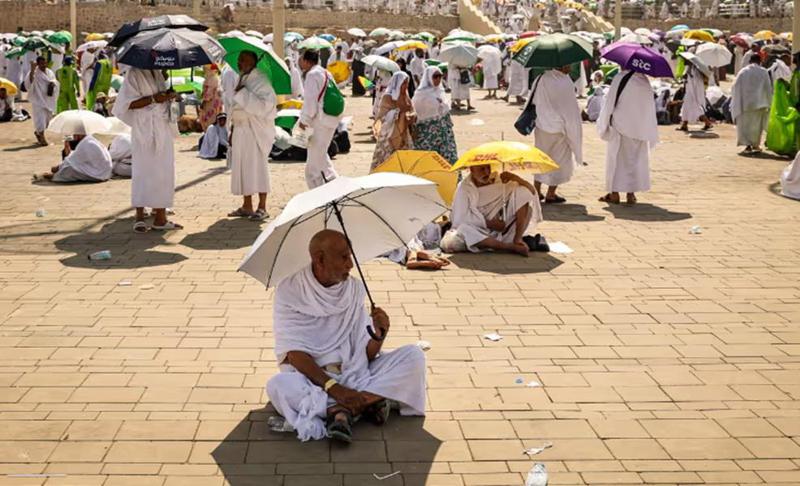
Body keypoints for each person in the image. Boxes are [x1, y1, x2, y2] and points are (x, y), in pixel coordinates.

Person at [266, 229, 426, 443]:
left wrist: (379, 335)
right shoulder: (290, 290)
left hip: (354, 371)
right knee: (278, 385)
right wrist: (335, 389)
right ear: (320, 259)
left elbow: (365, 355)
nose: (350, 265)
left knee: (414, 356)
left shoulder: (353, 290)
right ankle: (365, 403)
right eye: (343, 257)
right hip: (312, 378)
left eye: (350, 256)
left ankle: (343, 411)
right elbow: (294, 355)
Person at [112, 67, 181, 233]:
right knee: (142, 170)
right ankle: (140, 215)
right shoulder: (134, 74)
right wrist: (153, 99)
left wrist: (168, 95)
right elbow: (126, 105)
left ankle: (160, 216)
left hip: (162, 127)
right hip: (144, 129)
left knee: (163, 171)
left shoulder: (158, 72)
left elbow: (161, 98)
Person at [442, 164, 542, 256]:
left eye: (488, 168)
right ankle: (509, 247)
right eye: (481, 169)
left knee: (523, 193)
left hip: (501, 230)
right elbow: (460, 219)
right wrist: (489, 224)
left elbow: (531, 192)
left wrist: (516, 179)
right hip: (477, 230)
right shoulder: (464, 188)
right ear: (472, 170)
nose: (486, 172)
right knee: (464, 230)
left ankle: (518, 239)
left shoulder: (499, 181)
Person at [596, 70, 658, 205]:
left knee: (616, 160)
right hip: (640, 128)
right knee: (635, 160)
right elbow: (648, 106)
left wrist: (604, 123)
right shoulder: (644, 81)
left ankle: (614, 194)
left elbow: (609, 102)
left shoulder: (619, 78)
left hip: (620, 126)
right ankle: (631, 194)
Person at [228, 51, 277, 221]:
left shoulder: (261, 80)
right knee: (242, 168)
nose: (240, 63)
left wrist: (243, 94)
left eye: (243, 60)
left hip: (255, 131)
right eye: (239, 60)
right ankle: (246, 205)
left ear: (253, 62)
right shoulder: (242, 78)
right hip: (240, 130)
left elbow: (267, 106)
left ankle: (262, 206)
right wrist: (232, 129)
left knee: (258, 168)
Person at [532, 66, 583, 204]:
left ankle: (536, 190)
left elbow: (534, 100)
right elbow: (570, 108)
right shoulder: (565, 81)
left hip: (542, 125)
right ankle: (551, 193)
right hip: (560, 129)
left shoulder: (542, 78)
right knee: (560, 160)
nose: (570, 67)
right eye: (568, 65)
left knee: (540, 157)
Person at [298, 49, 342, 189]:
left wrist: (303, 121)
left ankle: (318, 194)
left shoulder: (312, 75)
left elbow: (310, 103)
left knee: (313, 165)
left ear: (306, 60)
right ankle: (336, 185)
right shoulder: (325, 72)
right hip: (330, 120)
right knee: (321, 157)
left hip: (319, 122)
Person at [411, 66, 458, 165]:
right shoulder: (420, 95)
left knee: (449, 159)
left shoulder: (440, 91)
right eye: (435, 76)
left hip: (445, 134)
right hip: (427, 135)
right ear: (428, 77)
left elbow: (445, 111)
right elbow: (416, 113)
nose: (438, 79)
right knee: (428, 161)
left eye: (440, 76)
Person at [730, 54, 773, 154]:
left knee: (745, 125)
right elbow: (768, 88)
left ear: (750, 61)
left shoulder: (743, 72)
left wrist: (737, 101)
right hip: (759, 104)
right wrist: (769, 102)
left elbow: (735, 87)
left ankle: (747, 145)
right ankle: (755, 144)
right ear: (760, 61)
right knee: (756, 126)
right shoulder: (763, 72)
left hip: (744, 104)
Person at [371, 71, 414, 170]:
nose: (406, 85)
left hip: (403, 131)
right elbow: (382, 116)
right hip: (389, 133)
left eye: (407, 83)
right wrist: (398, 113)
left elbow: (411, 109)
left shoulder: (406, 96)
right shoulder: (388, 97)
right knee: (387, 158)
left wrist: (411, 115)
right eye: (404, 83)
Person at [35, 133, 112, 183]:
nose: (74, 135)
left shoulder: (86, 143)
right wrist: (66, 144)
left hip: (99, 174)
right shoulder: (90, 140)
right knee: (65, 160)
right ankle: (57, 170)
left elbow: (71, 160)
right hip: (102, 171)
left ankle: (51, 176)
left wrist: (58, 167)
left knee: (68, 170)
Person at [28, 56, 59, 147]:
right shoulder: (34, 72)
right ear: (38, 64)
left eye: (45, 63)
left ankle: (38, 132)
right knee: (40, 119)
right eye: (41, 63)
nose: (44, 65)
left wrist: (52, 83)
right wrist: (32, 68)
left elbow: (54, 80)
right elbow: (30, 82)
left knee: (47, 120)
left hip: (48, 99)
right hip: (38, 99)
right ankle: (42, 137)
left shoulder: (50, 72)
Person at [678, 64, 713, 131]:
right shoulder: (689, 69)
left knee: (697, 110)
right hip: (689, 93)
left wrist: (697, 97)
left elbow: (697, 85)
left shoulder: (696, 71)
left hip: (694, 94)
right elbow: (687, 80)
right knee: (686, 109)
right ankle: (684, 125)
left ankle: (708, 123)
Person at [199, 64, 224, 131]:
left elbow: (207, 95)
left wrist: (203, 99)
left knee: (209, 122)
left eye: (207, 69)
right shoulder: (217, 78)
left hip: (210, 104)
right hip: (216, 104)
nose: (205, 71)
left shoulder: (210, 79)